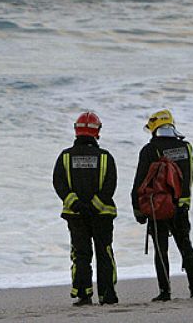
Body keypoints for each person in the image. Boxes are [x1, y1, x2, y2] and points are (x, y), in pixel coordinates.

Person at [131, 109, 193, 301]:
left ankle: (165, 292)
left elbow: (139, 182)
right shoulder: (186, 147)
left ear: (154, 129)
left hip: (158, 208)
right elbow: (189, 177)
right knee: (186, 246)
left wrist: (137, 209)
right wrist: (184, 203)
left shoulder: (149, 150)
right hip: (181, 206)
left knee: (161, 250)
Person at [52, 112, 118, 306]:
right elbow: (110, 186)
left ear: (76, 130)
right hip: (102, 215)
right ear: (97, 132)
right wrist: (94, 205)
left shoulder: (65, 156)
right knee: (104, 253)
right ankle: (107, 295)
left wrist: (76, 204)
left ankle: (84, 294)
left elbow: (59, 184)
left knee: (81, 254)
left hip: (75, 215)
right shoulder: (106, 157)